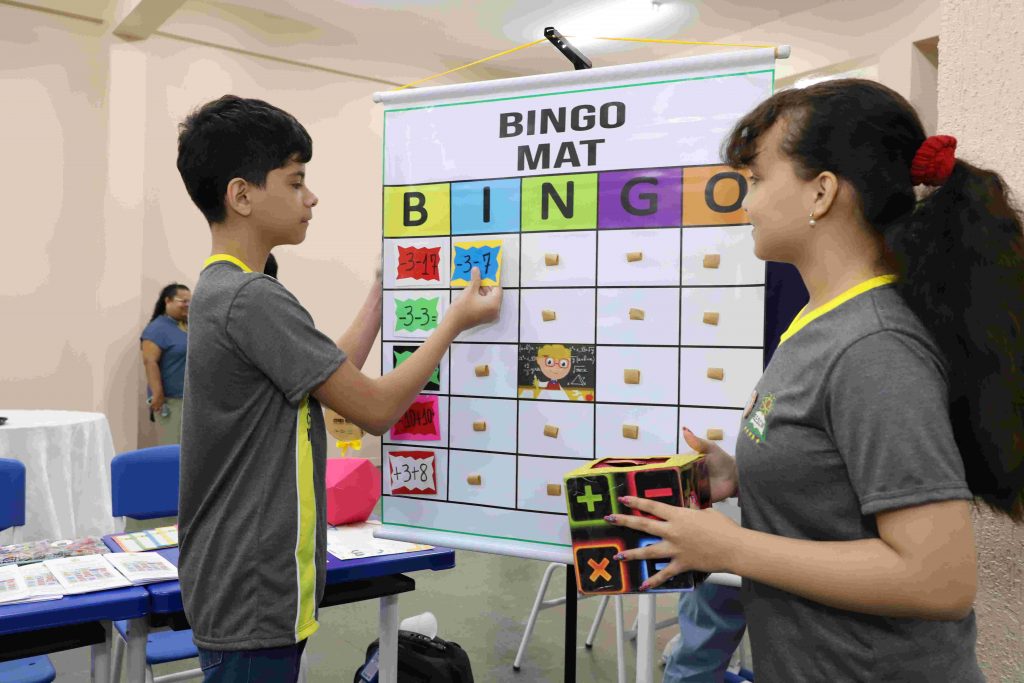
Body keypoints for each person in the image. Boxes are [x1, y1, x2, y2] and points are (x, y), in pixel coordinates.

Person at [610, 79, 1023, 681]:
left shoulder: (874, 344)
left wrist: (729, 549)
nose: (744, 203)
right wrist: (743, 475)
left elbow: (939, 579)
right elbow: (840, 481)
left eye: (756, 180)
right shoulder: (821, 318)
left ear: (822, 192)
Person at [174, 95, 501, 682]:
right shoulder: (253, 299)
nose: (311, 197)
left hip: (244, 578)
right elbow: (373, 408)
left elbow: (328, 377)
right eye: (296, 181)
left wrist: (381, 295)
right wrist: (453, 321)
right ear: (242, 194)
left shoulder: (225, 288)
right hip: (250, 588)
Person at [140, 283, 190, 445]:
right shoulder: (156, 329)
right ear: (167, 301)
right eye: (183, 301)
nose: (188, 305)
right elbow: (150, 362)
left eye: (191, 301)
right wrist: (157, 395)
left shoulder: (187, 326)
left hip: (190, 400)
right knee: (172, 450)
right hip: (170, 401)